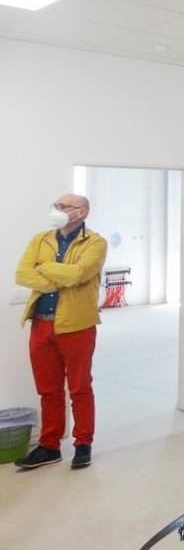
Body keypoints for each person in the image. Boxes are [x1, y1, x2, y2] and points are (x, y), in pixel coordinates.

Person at [14, 194, 107, 470]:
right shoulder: (40, 239)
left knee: (79, 388)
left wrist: (43, 268)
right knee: (48, 389)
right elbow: (22, 273)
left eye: (63, 206)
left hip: (77, 325)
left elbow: (79, 274)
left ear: (82, 212)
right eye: (56, 205)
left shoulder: (96, 243)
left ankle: (83, 444)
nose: (57, 210)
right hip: (41, 323)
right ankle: (49, 446)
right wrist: (59, 278)